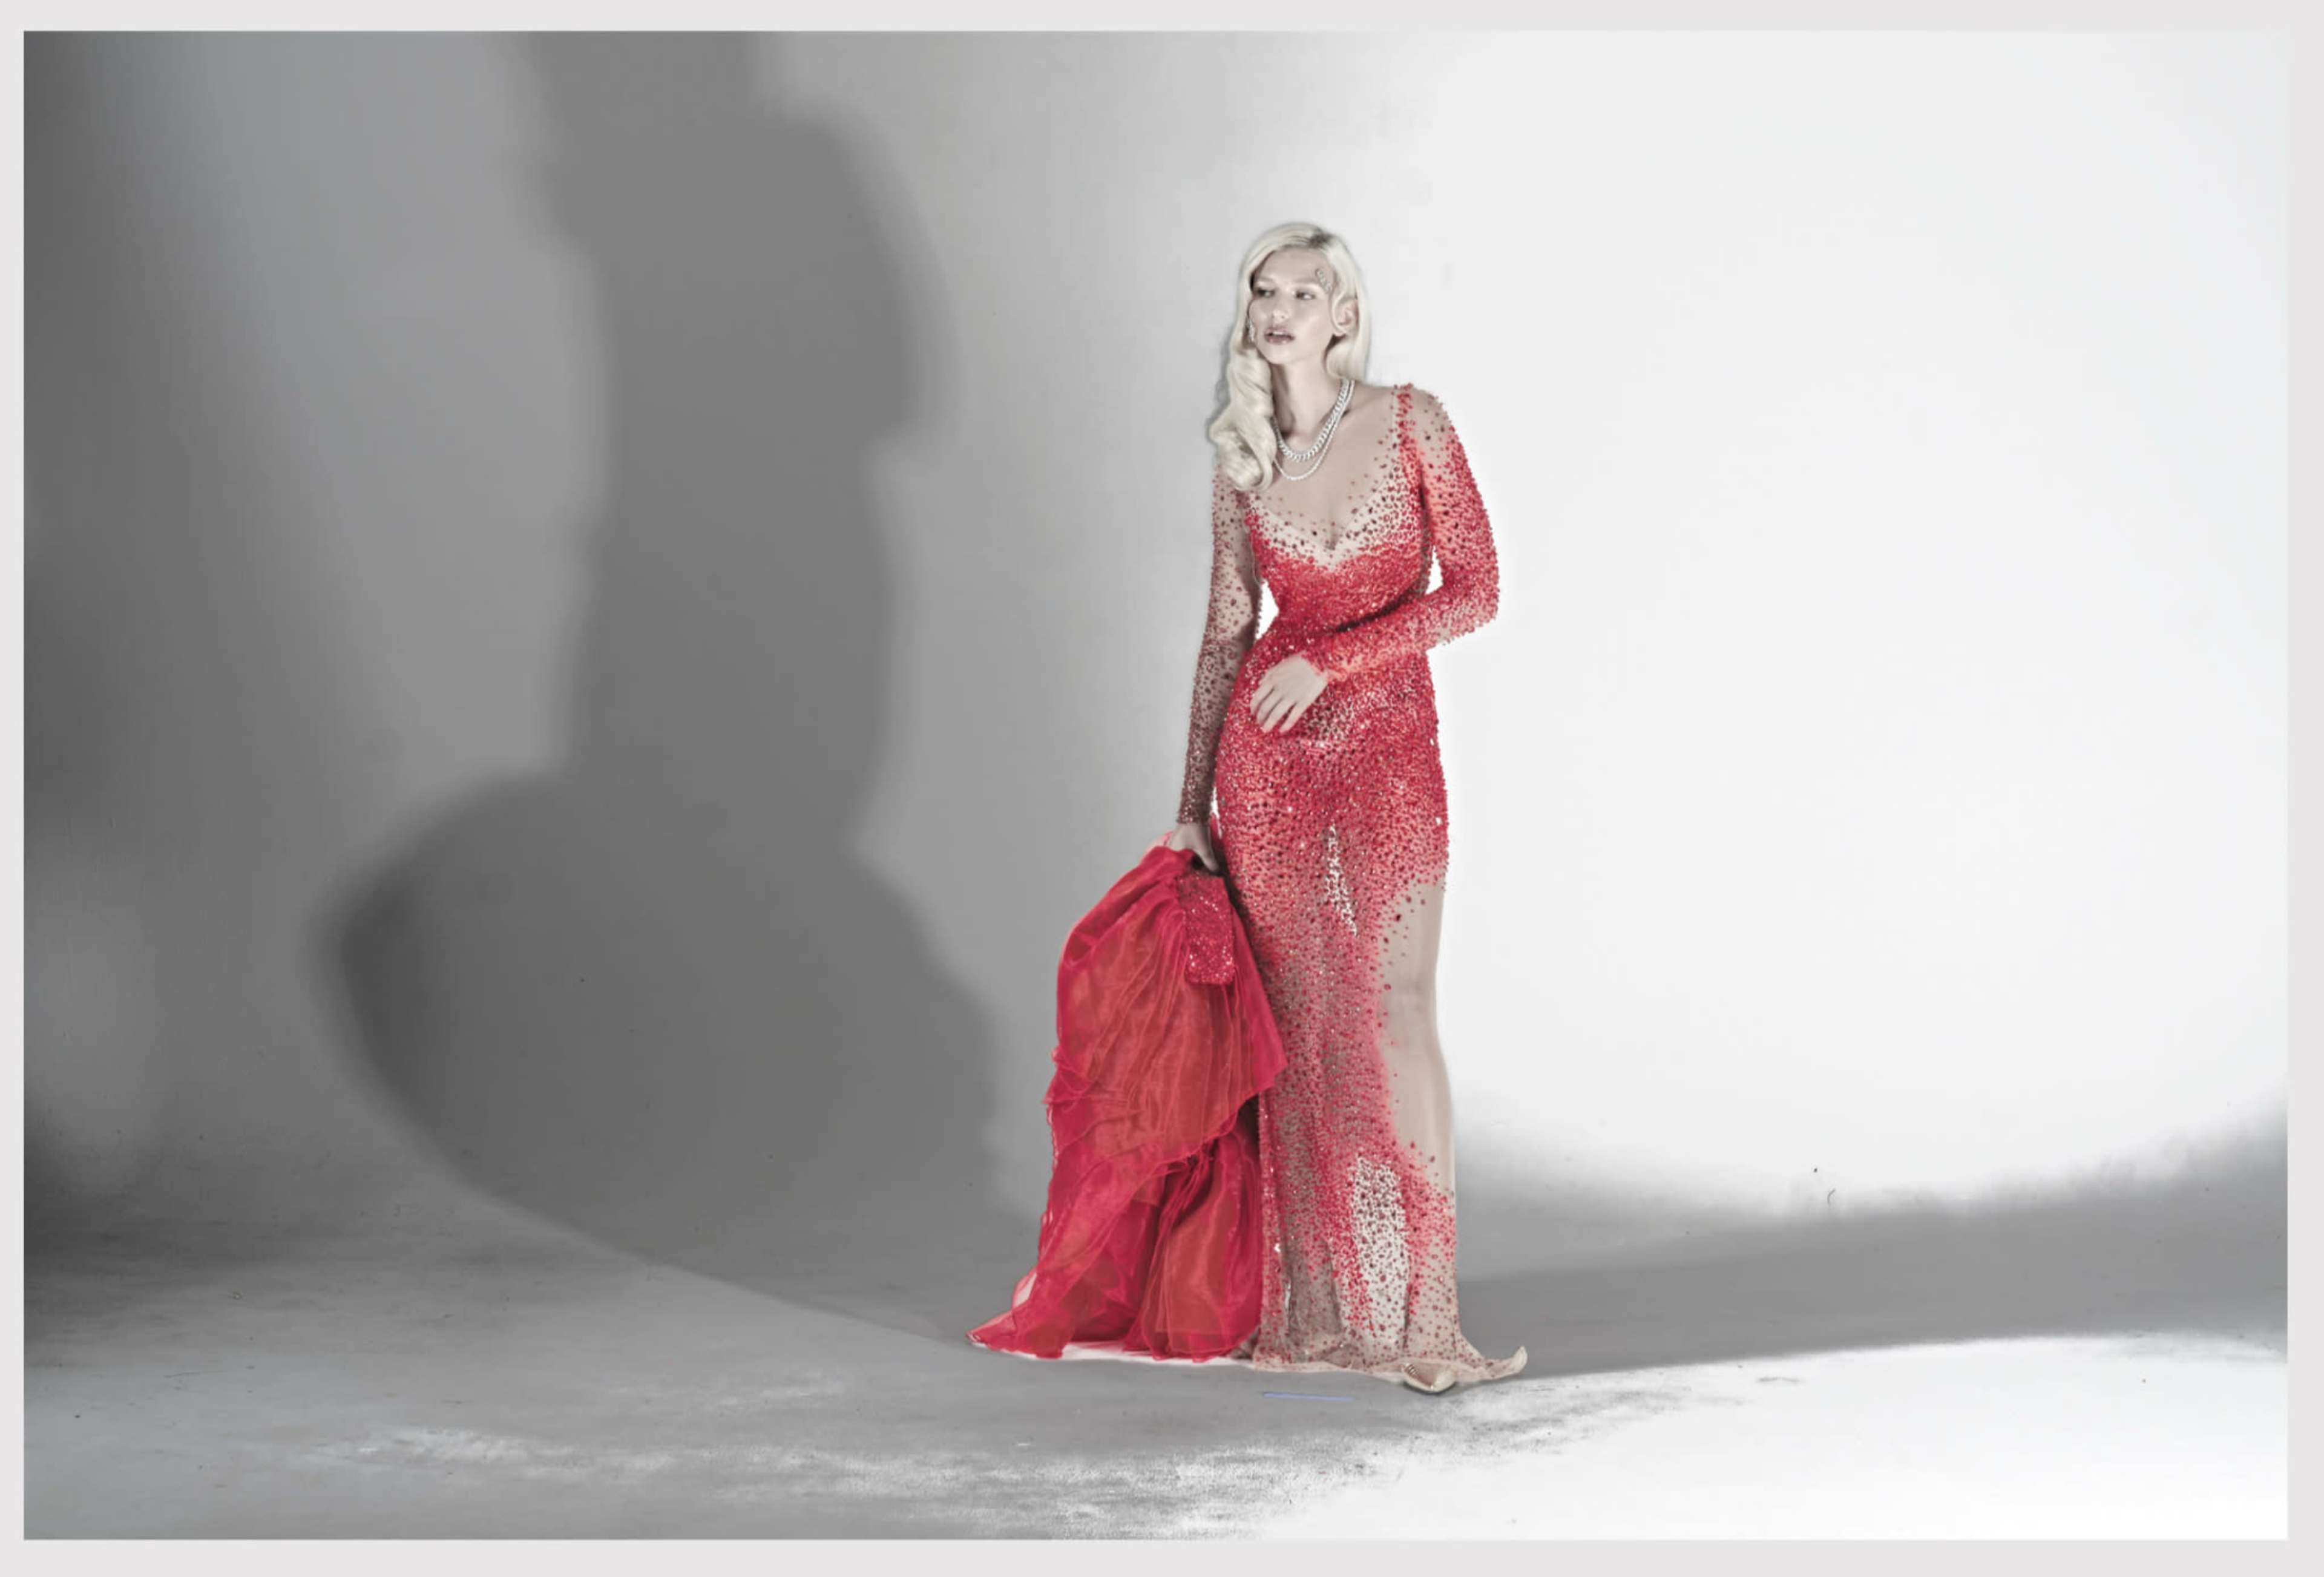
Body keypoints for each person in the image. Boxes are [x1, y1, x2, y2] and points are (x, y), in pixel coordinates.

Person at [1165, 223, 1526, 1394]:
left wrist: (1337, 661)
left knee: (1398, 1006)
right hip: (1265, 767)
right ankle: (1318, 1313)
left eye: (1301, 290)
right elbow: (1229, 625)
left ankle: (1428, 1322)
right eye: (1261, 288)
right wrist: (1187, 809)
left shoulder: (1412, 419)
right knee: (1307, 1029)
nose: (1276, 307)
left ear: (1343, 314)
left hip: (1386, 752)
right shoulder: (1242, 452)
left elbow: (1476, 589)